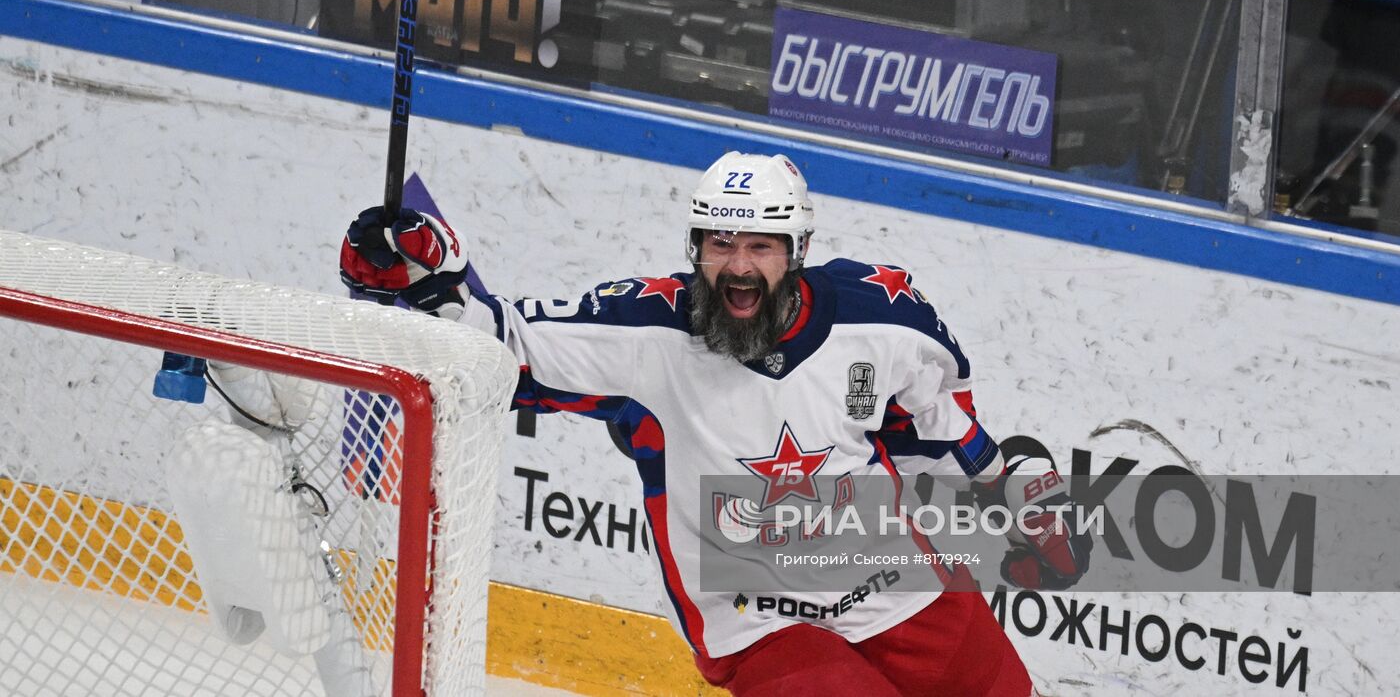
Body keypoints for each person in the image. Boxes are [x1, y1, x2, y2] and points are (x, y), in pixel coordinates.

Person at [340, 151, 1091, 696]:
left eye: (760, 245)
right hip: (758, 616)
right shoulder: (649, 333)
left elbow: (942, 412)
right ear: (694, 249)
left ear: (797, 252)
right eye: (719, 243)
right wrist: (427, 280)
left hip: (895, 580)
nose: (737, 265)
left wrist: (1007, 482)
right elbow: (504, 343)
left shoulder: (883, 317)